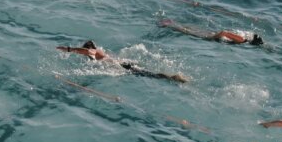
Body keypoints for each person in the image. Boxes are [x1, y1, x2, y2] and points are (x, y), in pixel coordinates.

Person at [57, 40, 189, 83]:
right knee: (148, 73)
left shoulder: (93, 51)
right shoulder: (100, 52)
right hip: (124, 64)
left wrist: (68, 49)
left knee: (151, 75)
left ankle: (173, 78)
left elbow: (87, 52)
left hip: (124, 66)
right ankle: (171, 78)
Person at [159, 19, 264, 46]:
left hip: (214, 36)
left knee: (188, 30)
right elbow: (224, 33)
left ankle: (170, 23)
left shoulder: (242, 40)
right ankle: (167, 24)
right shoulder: (242, 40)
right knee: (187, 32)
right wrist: (213, 37)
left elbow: (225, 33)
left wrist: (213, 36)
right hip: (214, 36)